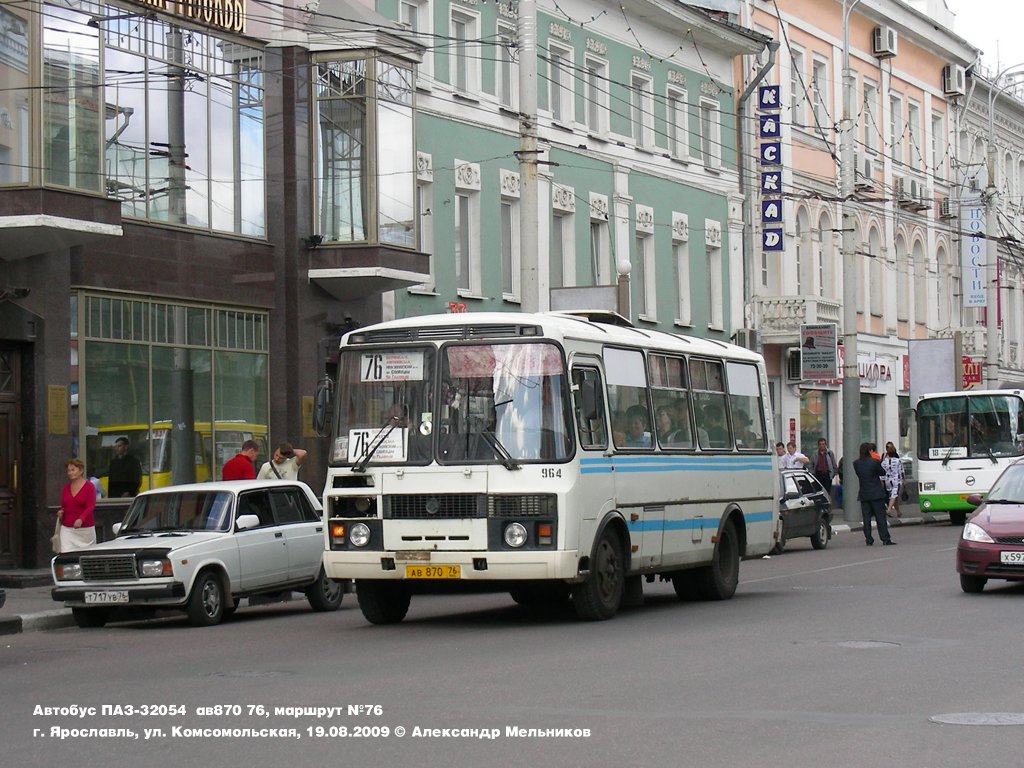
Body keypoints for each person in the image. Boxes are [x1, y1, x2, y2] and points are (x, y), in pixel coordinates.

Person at [853, 441, 895, 546]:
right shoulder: (874, 462)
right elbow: (882, 472)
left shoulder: (856, 463)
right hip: (876, 493)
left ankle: (869, 539)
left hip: (864, 494)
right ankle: (885, 539)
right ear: (869, 451)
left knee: (866, 518)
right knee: (880, 517)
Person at [58, 458, 97, 553]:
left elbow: (90, 506)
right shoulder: (65, 488)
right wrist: (61, 512)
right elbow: (64, 506)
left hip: (85, 530)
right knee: (66, 553)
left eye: (73, 470)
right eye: (68, 471)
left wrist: (81, 519)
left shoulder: (89, 487)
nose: (70, 473)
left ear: (81, 470)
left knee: (86, 555)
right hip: (67, 528)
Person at [881, 441, 906, 520]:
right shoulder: (898, 461)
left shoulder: (884, 462)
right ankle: (888, 509)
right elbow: (901, 471)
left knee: (894, 496)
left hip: (888, 480)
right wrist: (904, 480)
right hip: (896, 480)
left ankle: (898, 511)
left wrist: (882, 481)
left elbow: (882, 472)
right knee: (894, 495)